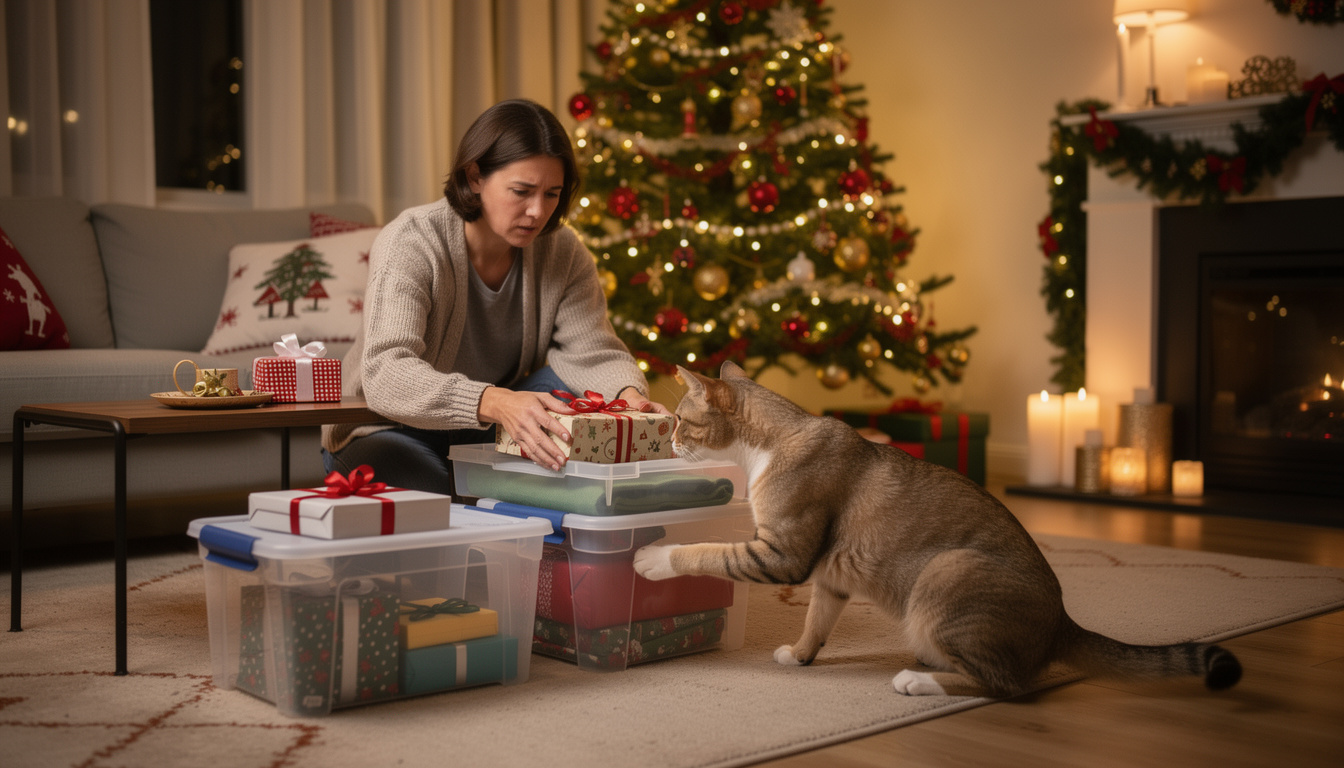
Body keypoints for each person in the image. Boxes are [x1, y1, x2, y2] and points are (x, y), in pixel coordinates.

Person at [321, 98, 668, 495]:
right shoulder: (411, 241)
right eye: (522, 191)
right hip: (385, 427)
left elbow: (593, 354)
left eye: (552, 194)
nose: (538, 212)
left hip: (488, 427)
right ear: (474, 178)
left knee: (570, 390)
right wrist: (493, 400)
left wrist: (628, 399)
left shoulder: (563, 251)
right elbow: (385, 372)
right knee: (438, 503)